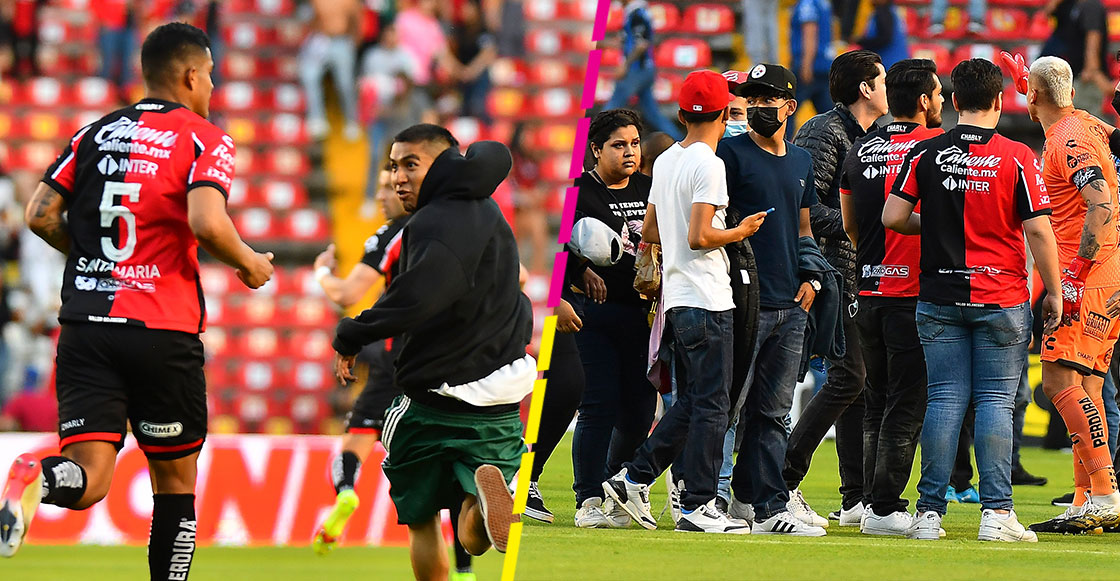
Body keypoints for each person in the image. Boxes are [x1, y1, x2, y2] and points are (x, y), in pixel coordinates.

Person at [0, 23, 276, 577]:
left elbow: (39, 214)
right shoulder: (205, 137)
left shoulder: (94, 134)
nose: (214, 89)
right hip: (160, 330)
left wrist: (92, 262)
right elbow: (206, 219)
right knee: (174, 483)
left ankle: (35, 473)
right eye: (212, 78)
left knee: (87, 479)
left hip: (85, 327)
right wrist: (250, 263)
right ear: (191, 75)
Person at [331, 124, 532, 579]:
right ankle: (481, 507)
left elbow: (416, 298)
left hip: (432, 400)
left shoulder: (433, 222)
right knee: (470, 534)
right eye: (392, 166)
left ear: (441, 164)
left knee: (420, 523)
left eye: (410, 165)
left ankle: (479, 506)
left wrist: (351, 334)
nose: (397, 177)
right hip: (499, 403)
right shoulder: (489, 209)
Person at [883, 57, 1061, 542]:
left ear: (955, 100)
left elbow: (893, 216)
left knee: (943, 400)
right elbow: (1040, 231)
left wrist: (941, 225)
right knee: (995, 404)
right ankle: (997, 514)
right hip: (1000, 296)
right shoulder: (1018, 155)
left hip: (938, 295)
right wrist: (1056, 291)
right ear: (1001, 101)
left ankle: (928, 514)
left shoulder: (924, 154)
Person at [602, 70, 765, 535]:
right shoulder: (710, 165)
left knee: (695, 399)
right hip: (708, 296)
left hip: (677, 297)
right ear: (722, 113)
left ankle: (634, 477)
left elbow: (651, 231)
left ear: (681, 113)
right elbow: (700, 236)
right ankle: (698, 504)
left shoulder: (669, 158)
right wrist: (740, 231)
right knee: (713, 406)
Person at [716, 63, 826, 536]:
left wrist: (813, 279)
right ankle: (706, 495)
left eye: (767, 98)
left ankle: (763, 504)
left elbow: (803, 229)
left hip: (790, 302)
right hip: (743, 300)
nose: (759, 106)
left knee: (774, 412)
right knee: (725, 405)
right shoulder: (728, 153)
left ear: (789, 106)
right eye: (752, 98)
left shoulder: (801, 161)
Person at [838, 58, 943, 536]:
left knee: (877, 399)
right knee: (906, 401)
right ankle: (884, 508)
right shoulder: (935, 150)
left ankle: (865, 502)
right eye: (938, 93)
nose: (941, 101)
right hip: (912, 291)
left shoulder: (860, 150)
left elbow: (849, 226)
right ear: (923, 101)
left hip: (868, 286)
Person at [785, 50, 888, 527]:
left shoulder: (871, 136)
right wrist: (859, 227)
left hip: (853, 270)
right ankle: (781, 477)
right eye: (882, 80)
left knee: (857, 385)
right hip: (824, 270)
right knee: (849, 378)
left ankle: (853, 500)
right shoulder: (824, 131)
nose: (887, 89)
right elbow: (799, 205)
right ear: (865, 88)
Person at [1018, 55, 1120, 534]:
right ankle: (1087, 500)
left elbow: (1099, 199)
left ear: (1032, 97)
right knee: (1090, 385)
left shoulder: (1067, 140)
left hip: (1089, 274)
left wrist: (1075, 272)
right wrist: (1035, 88)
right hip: (1111, 273)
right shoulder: (1086, 124)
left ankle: (1104, 491)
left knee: (1058, 381)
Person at [566, 109, 658, 528]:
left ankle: (614, 486)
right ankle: (587, 500)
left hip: (643, 313)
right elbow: (558, 245)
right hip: (596, 315)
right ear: (596, 149)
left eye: (634, 144)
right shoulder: (579, 192)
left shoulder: (650, 187)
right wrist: (577, 269)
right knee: (598, 404)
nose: (629, 152)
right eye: (619, 145)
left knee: (640, 412)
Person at [605, 0, 683, 140]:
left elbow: (641, 44)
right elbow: (628, 41)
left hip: (636, 71)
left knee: (608, 111)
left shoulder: (637, 14)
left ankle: (587, 148)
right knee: (653, 114)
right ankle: (680, 141)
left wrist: (625, 65)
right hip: (646, 69)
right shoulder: (637, 13)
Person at [299, 0, 362, 141]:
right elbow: (311, 19)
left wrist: (353, 43)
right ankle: (317, 119)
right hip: (320, 40)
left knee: (345, 83)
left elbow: (356, 20)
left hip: (341, 41)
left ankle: (351, 120)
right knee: (309, 75)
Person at [1039, 0, 1113, 116]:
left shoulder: (1091, 5)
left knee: (1086, 120)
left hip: (1087, 78)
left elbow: (1093, 35)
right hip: (1076, 75)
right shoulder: (1072, 6)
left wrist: (1092, 70)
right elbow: (1047, 13)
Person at [789, 0, 834, 137]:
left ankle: (781, 149)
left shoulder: (807, 4)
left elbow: (810, 32)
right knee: (830, 115)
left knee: (786, 110)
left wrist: (806, 65)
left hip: (810, 65)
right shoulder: (823, 3)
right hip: (825, 65)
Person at [450, 0, 497, 123]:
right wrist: (460, 71)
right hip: (462, 76)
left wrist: (472, 71)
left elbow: (487, 53)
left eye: (469, 9)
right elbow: (450, 52)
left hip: (478, 74)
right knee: (462, 109)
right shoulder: (458, 30)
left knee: (478, 106)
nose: (466, 12)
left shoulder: (483, 30)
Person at [855, 0, 909, 70]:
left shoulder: (883, 13)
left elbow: (885, 38)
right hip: (899, 63)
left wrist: (860, 42)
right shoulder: (894, 11)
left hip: (888, 63)